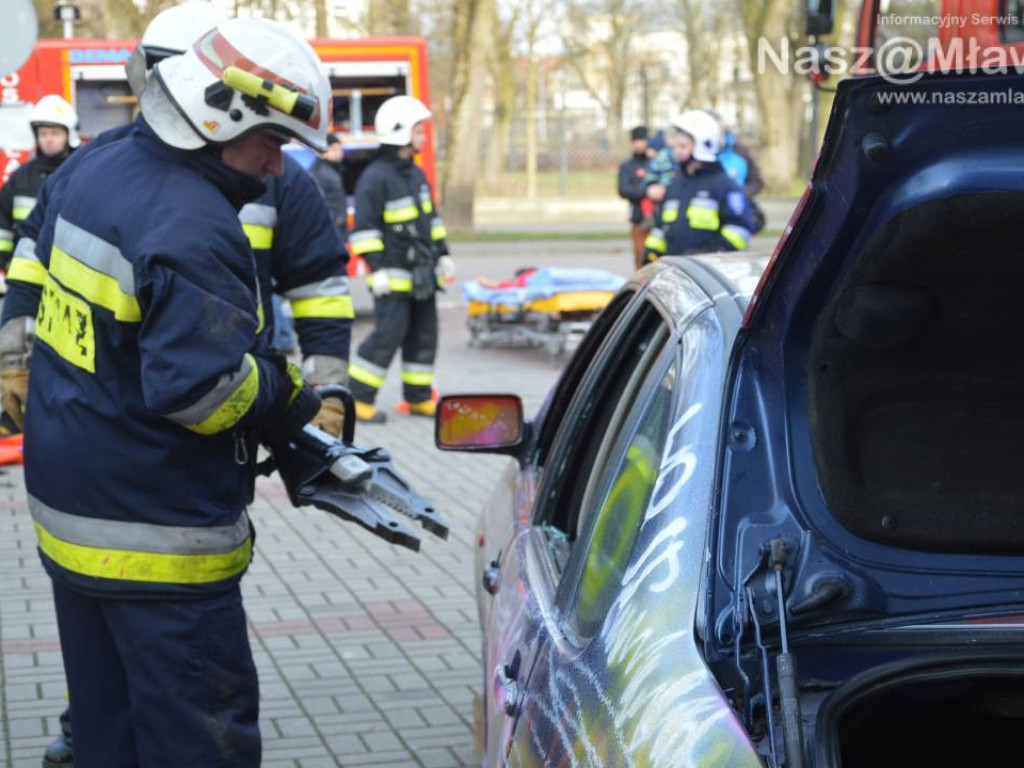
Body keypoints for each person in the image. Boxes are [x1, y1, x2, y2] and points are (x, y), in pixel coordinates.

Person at [0, 18, 330, 766]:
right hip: (160, 547)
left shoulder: (95, 167)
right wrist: (285, 396)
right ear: (222, 116)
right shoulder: (192, 222)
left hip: (72, 514)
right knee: (194, 744)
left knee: (107, 735)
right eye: (273, 142)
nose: (277, 168)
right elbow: (205, 394)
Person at [347, 95, 454, 424]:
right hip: (391, 275)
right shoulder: (375, 177)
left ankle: (419, 397)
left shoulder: (416, 175)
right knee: (389, 333)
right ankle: (357, 397)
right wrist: (375, 270)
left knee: (425, 333)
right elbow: (364, 229)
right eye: (418, 131)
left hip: (422, 274)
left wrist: (444, 255)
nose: (422, 137)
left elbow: (430, 220)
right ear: (400, 133)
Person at [644, 110, 755, 260]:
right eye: (675, 146)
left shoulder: (724, 185)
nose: (676, 151)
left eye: (683, 146)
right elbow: (660, 229)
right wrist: (651, 255)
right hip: (676, 271)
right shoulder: (675, 184)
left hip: (709, 273)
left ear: (702, 146)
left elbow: (740, 230)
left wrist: (712, 253)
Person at [0, 96, 79, 263]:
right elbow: (2, 220)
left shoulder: (81, 172)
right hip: (25, 268)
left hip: (68, 268)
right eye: (43, 133)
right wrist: (2, 263)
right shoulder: (22, 176)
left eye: (55, 133)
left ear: (69, 135)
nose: (48, 139)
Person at [618, 125, 651, 270]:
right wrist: (646, 191)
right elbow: (624, 190)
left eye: (642, 140)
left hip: (656, 218)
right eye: (636, 140)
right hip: (638, 218)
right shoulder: (627, 166)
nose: (640, 144)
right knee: (640, 256)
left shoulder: (655, 162)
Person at [310, 133, 347, 236]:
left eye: (340, 149)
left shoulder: (333, 170)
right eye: (334, 150)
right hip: (330, 230)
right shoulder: (320, 173)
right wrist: (336, 219)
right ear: (323, 151)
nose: (339, 153)